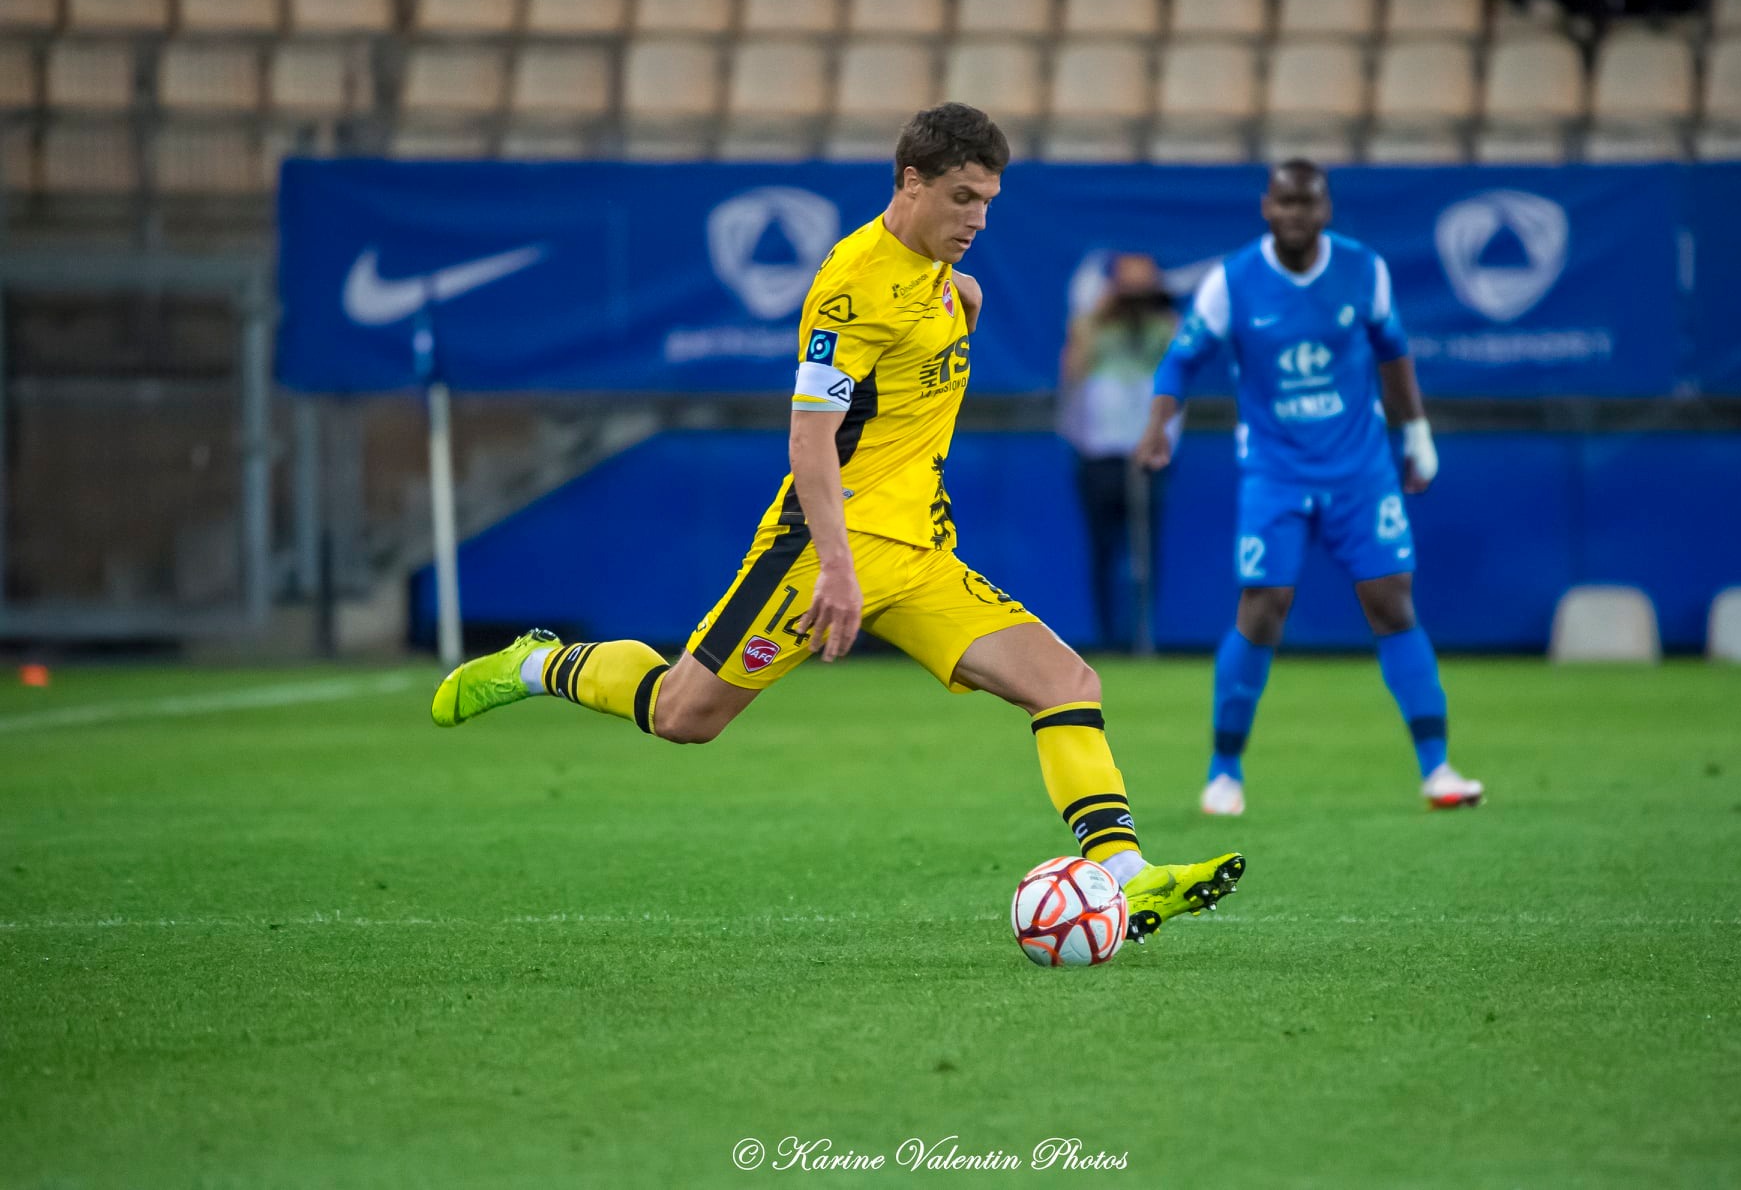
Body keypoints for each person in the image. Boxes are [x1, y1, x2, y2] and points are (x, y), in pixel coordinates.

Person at [432, 104, 1242, 941]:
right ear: (911, 182)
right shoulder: (854, 288)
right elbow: (809, 437)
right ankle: (539, 664)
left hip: (920, 553)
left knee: (1067, 684)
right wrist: (837, 566)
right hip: (826, 549)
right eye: (963, 198)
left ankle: (1126, 877)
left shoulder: (946, 278)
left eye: (989, 202)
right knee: (683, 715)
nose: (978, 220)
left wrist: (955, 300)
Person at [1134, 159, 1485, 817]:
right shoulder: (1233, 280)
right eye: (1285, 203)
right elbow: (1181, 359)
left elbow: (1394, 354)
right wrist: (1159, 427)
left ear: (1326, 209)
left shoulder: (1363, 270)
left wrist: (1417, 435)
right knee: (1262, 608)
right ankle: (1224, 771)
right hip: (1275, 472)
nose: (1296, 214)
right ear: (1266, 207)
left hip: (1360, 470)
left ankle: (1438, 768)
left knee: (1392, 603)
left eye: (1308, 204)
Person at [1059, 252, 1176, 652]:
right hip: (1099, 452)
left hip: (1148, 451)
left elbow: (1182, 363)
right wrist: (1099, 314)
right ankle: (1108, 638)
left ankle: (1143, 636)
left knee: (1147, 549)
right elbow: (1072, 373)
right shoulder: (1091, 325)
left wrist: (1159, 308)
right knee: (1103, 548)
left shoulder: (1164, 327)